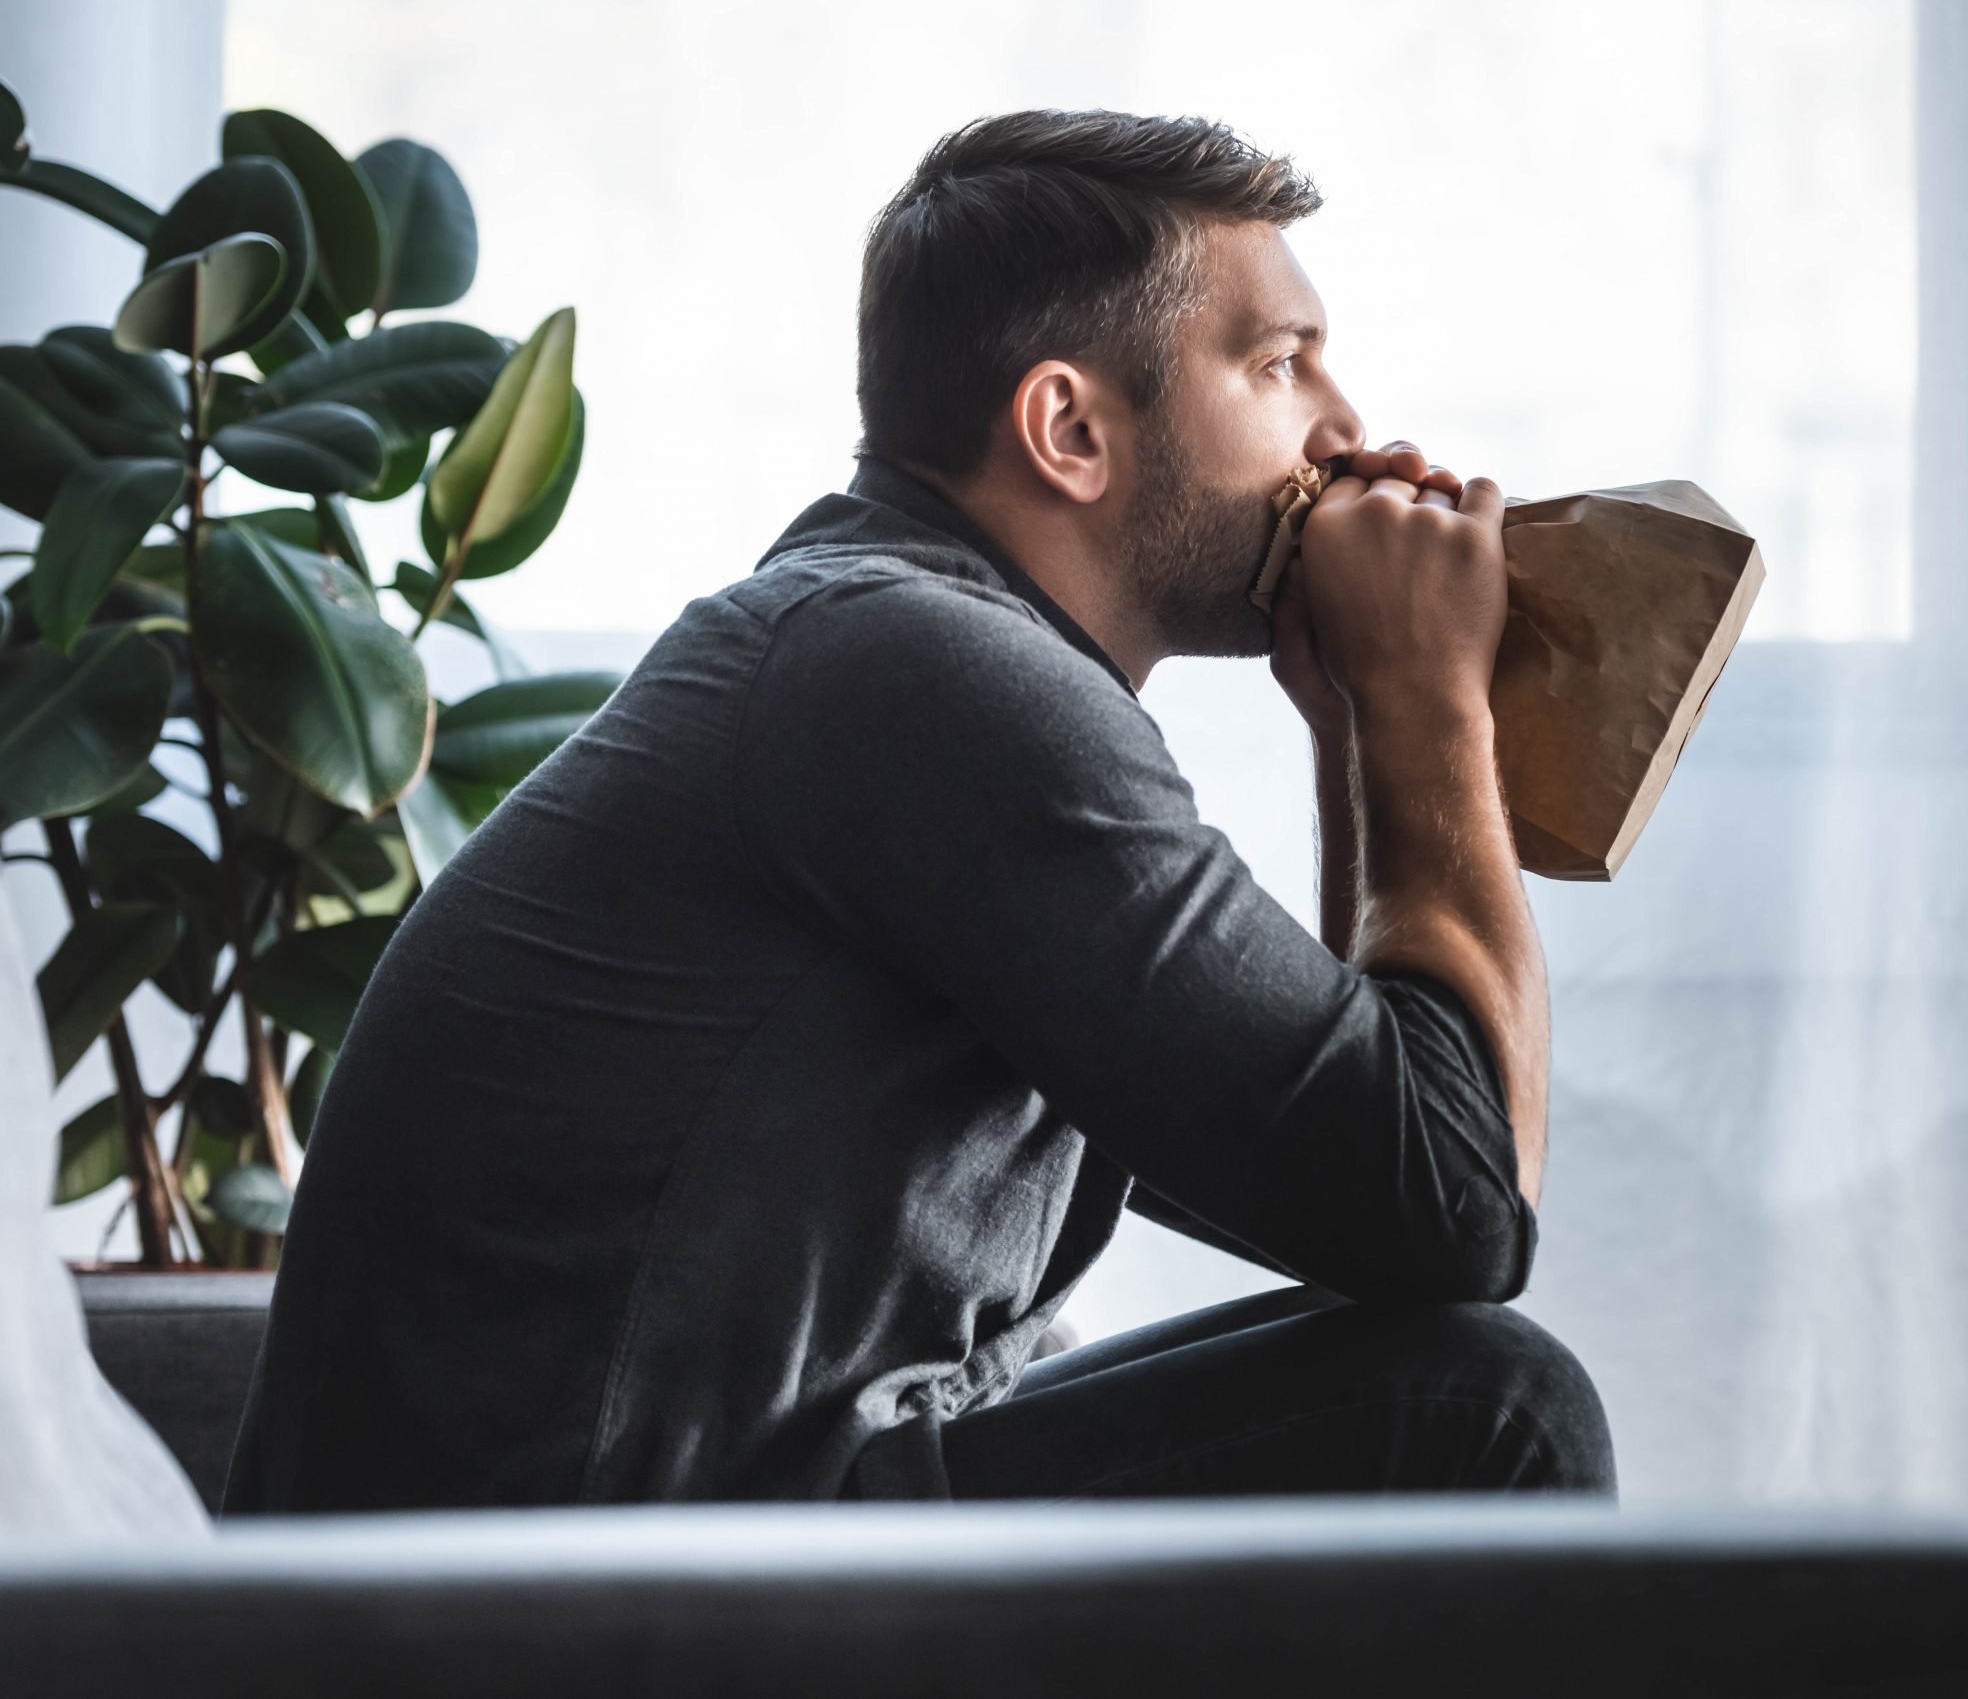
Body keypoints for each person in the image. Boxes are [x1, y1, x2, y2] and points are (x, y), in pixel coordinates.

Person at [224, 109, 1614, 1511]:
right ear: (1070, 426)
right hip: (552, 1609)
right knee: (1488, 1408)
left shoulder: (884, 649)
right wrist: (1429, 698)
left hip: (659, 1538)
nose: (1346, 427)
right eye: (1277, 363)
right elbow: (1455, 1207)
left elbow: (1359, 1199)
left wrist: (1358, 720)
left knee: (1442, 1369)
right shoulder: (926, 673)